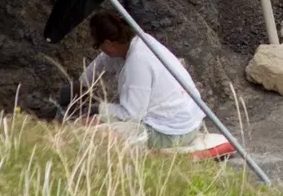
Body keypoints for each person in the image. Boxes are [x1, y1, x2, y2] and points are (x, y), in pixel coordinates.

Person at [77, 11, 206, 149]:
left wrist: (99, 108)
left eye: (98, 45)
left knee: (89, 127)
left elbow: (132, 115)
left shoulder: (137, 60)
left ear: (108, 43)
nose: (100, 50)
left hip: (172, 132)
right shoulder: (140, 41)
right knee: (91, 121)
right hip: (188, 120)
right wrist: (80, 84)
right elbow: (102, 62)